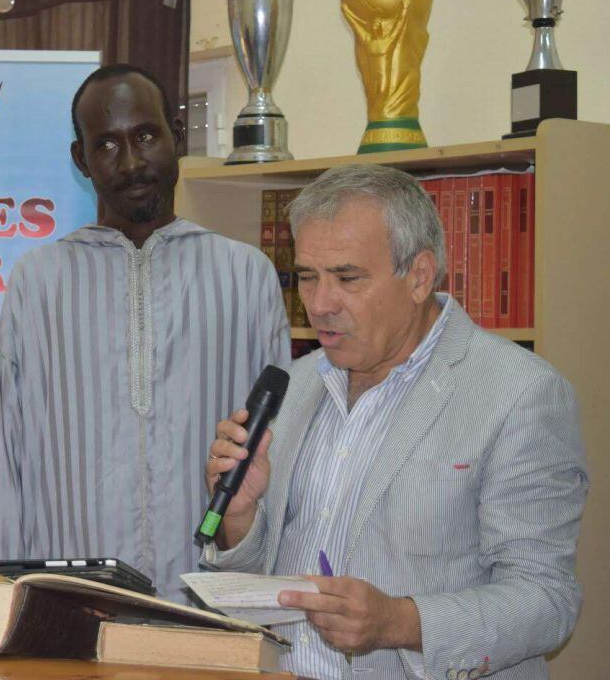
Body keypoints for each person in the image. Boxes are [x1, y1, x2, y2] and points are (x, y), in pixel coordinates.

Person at [203, 164, 587, 679]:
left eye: (347, 277)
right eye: (307, 277)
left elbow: (548, 600)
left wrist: (403, 621)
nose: (319, 304)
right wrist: (240, 520)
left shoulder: (520, 393)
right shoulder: (291, 388)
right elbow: (261, 583)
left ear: (420, 277)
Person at [0, 64, 291, 601]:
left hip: (212, 600)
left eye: (146, 136)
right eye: (106, 145)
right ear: (81, 159)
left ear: (176, 134)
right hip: (73, 603)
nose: (130, 162)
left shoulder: (245, 274)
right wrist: (6, 598)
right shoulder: (40, 281)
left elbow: (278, 451)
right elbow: (9, 456)